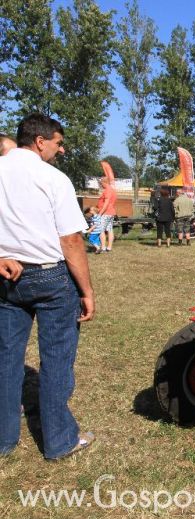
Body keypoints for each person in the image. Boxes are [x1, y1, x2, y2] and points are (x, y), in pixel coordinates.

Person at [0, 113, 96, 460]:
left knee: (6, 357)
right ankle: (59, 440)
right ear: (40, 141)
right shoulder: (53, 179)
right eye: (58, 142)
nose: (61, 148)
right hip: (49, 275)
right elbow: (71, 239)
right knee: (56, 358)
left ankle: (3, 437)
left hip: (7, 276)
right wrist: (86, 291)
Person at [95, 176, 117, 253]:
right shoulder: (113, 190)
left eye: (101, 183)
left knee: (101, 230)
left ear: (104, 182)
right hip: (111, 212)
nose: (101, 185)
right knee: (110, 229)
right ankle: (109, 247)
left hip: (105, 213)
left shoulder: (107, 190)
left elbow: (106, 203)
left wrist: (100, 213)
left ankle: (103, 248)